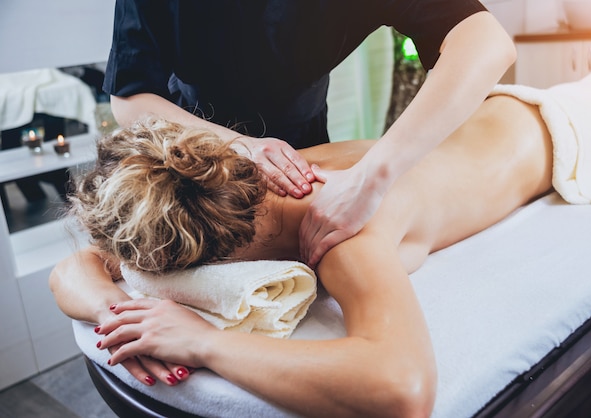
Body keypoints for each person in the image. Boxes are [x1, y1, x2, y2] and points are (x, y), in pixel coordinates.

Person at [50, 84, 562, 416]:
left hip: (563, 131)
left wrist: (204, 341)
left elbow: (404, 389)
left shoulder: (344, 235)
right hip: (493, 114)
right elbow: (74, 268)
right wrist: (113, 310)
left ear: (210, 264)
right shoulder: (225, 185)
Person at [103, 0, 517, 266]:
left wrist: (374, 176)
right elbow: (131, 97)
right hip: (186, 151)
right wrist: (238, 146)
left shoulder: (324, 196)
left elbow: (486, 42)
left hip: (306, 145)